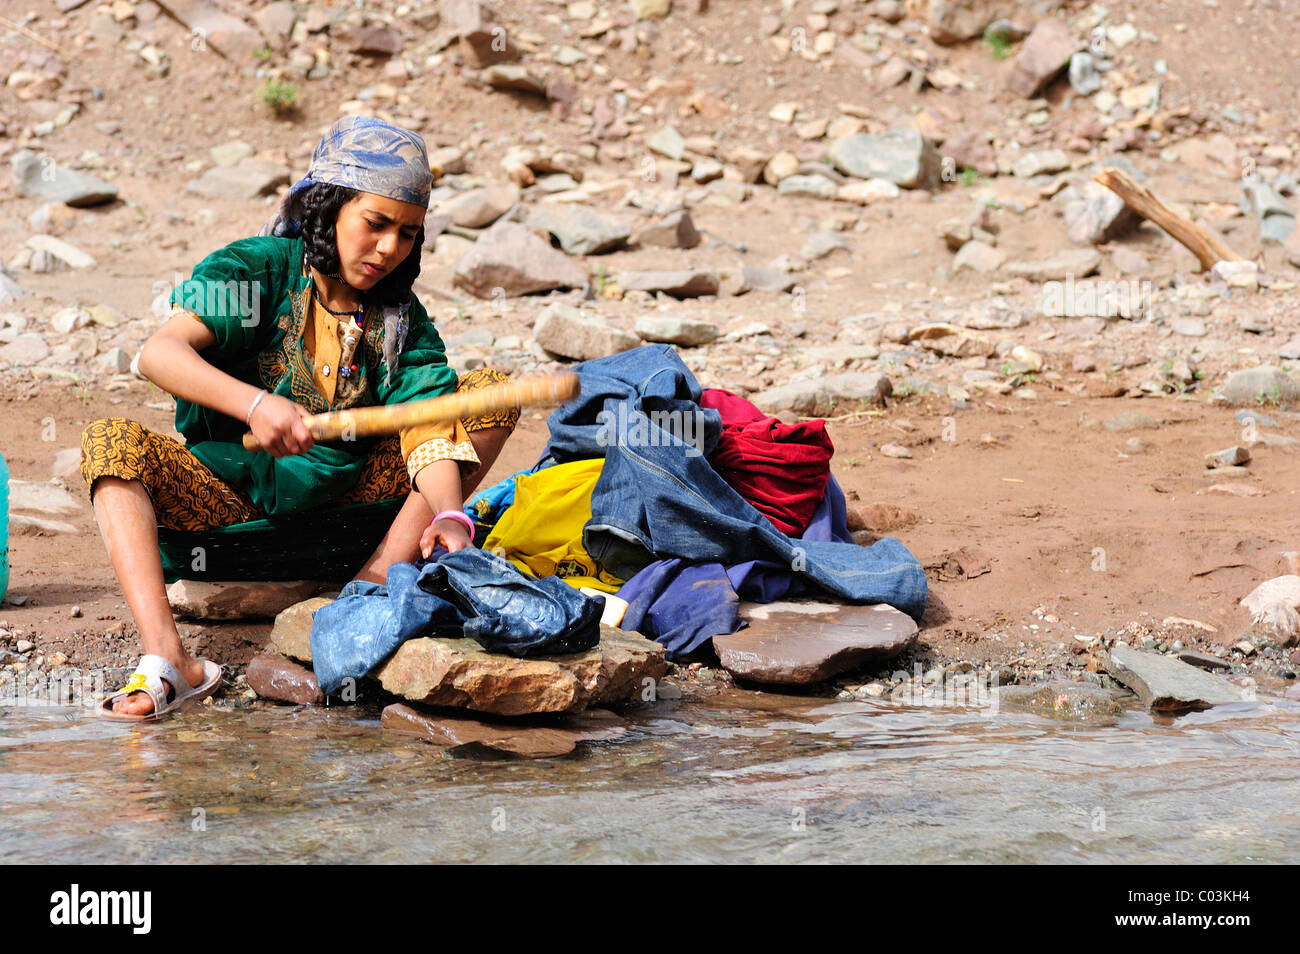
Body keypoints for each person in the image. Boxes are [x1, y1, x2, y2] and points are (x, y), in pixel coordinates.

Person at [82, 116, 517, 720]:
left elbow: (430, 423)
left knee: (487, 394)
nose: (390, 248)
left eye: (408, 233)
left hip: (350, 527)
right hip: (229, 515)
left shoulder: (399, 318)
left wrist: (447, 515)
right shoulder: (255, 270)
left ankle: (366, 593)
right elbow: (159, 353)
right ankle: (168, 660)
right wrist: (255, 404)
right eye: (376, 223)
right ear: (328, 209)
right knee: (110, 442)